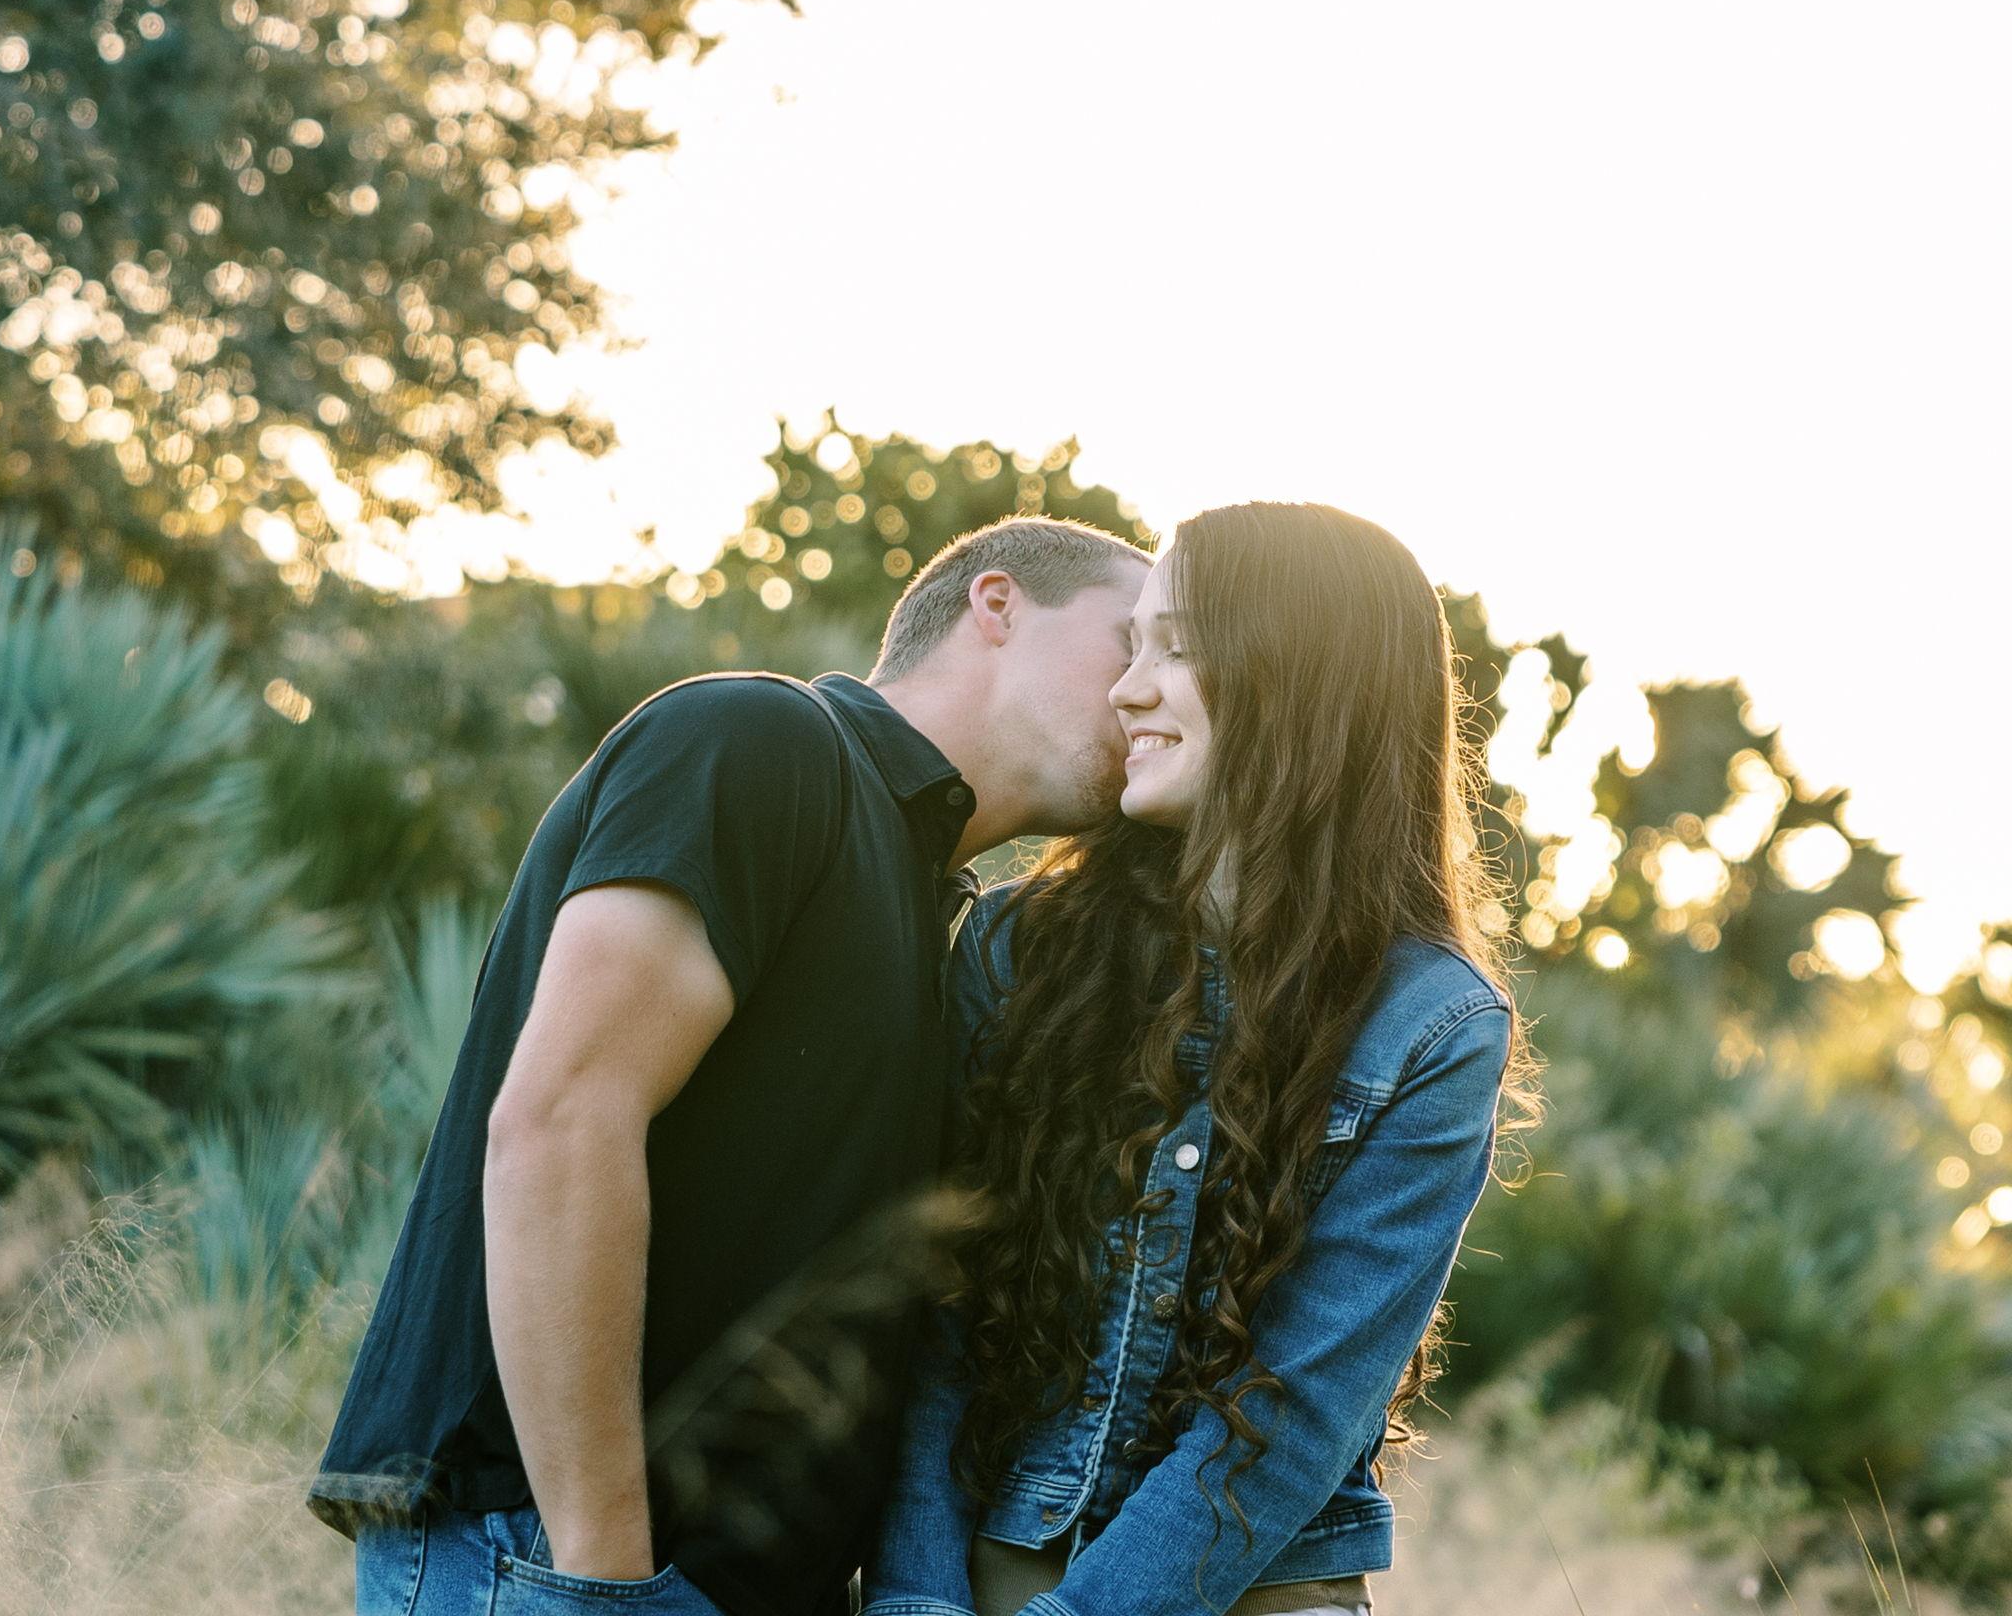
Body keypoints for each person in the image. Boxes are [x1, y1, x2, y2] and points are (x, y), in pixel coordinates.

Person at [309, 515, 1151, 1616]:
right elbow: (561, 1121)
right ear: (997, 605)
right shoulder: (760, 740)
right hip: (554, 1558)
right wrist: (604, 1573)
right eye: (1131, 641)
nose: (1149, 691)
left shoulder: (931, 909)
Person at [863, 501, 1537, 1616]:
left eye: (1174, 649)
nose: (1127, 689)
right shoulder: (1014, 948)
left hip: (1255, 1587)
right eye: (1130, 647)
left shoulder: (1432, 1025)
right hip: (991, 1557)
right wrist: (912, 1600)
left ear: (1298, 679)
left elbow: (1295, 1406)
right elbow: (934, 1317)